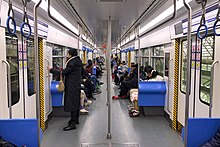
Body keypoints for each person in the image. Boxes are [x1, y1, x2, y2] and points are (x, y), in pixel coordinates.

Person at [48, 49, 82, 131]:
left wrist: (51, 70)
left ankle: (73, 123)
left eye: (67, 54)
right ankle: (75, 119)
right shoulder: (77, 61)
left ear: (70, 54)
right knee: (75, 102)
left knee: (72, 103)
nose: (66, 55)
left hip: (72, 86)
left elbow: (63, 72)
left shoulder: (73, 63)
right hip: (75, 85)